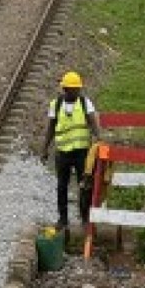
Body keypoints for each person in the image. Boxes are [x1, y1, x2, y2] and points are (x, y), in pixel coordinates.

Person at [40, 71, 101, 233]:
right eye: (73, 89)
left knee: (85, 186)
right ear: (65, 89)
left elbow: (93, 122)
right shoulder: (56, 104)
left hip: (82, 153)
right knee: (62, 186)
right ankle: (63, 219)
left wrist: (99, 138)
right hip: (62, 153)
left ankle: (85, 219)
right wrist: (45, 148)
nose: (76, 91)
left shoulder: (84, 103)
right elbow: (51, 127)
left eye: (78, 89)